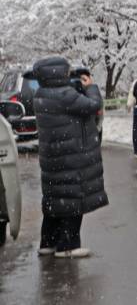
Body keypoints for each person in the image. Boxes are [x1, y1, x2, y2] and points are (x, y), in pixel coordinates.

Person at [33, 56, 108, 259]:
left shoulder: (41, 94)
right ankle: (68, 245)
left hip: (53, 156)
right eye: (67, 71)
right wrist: (91, 87)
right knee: (73, 199)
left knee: (55, 200)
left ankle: (48, 243)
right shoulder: (65, 94)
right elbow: (93, 105)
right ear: (57, 73)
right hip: (71, 156)